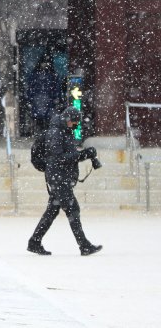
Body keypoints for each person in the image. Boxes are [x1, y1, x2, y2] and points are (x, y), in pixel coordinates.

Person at [28, 106, 102, 257]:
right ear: (67, 119)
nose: (75, 126)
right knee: (72, 209)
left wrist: (82, 155)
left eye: (77, 123)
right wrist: (83, 155)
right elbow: (59, 158)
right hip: (58, 177)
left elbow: (66, 156)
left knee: (52, 211)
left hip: (60, 177)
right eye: (74, 122)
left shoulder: (64, 132)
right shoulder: (56, 133)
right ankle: (84, 246)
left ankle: (34, 242)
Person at [26, 57, 63, 135]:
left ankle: (45, 132)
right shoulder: (34, 75)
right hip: (38, 99)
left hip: (48, 99)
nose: (45, 65)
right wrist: (30, 98)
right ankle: (40, 131)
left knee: (48, 117)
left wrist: (56, 97)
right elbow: (30, 88)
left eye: (46, 63)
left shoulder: (53, 75)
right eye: (43, 63)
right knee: (38, 117)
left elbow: (56, 88)